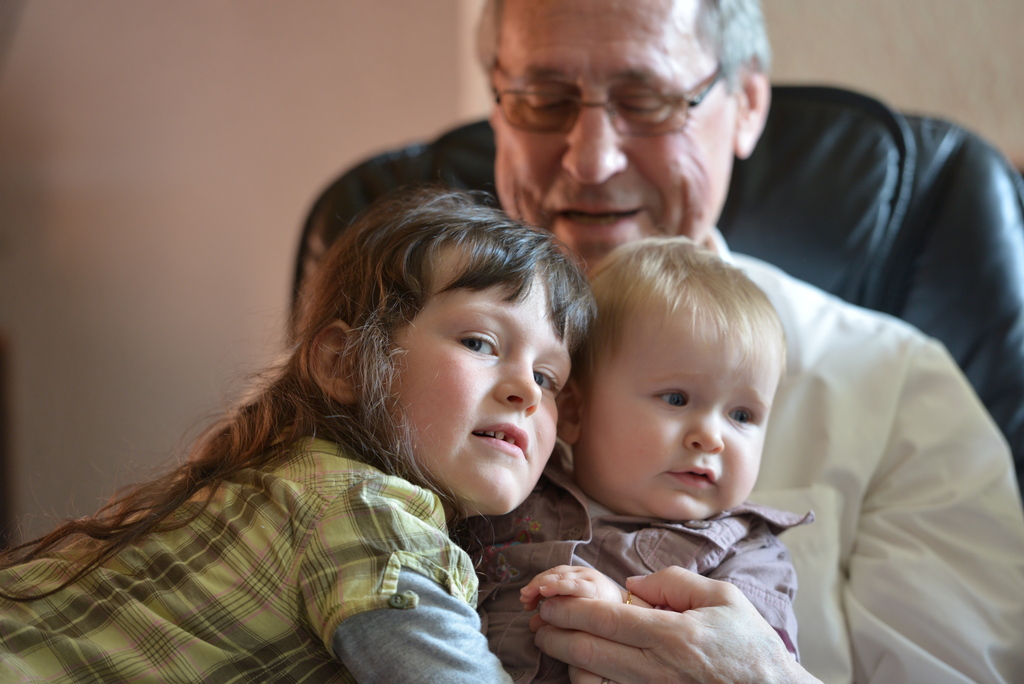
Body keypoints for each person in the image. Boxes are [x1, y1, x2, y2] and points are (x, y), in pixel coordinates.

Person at [469, 1, 1024, 682]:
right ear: (497, 107)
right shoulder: (405, 358)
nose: (592, 160)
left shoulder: (903, 391)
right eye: (543, 98)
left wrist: (764, 675)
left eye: (648, 100)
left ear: (748, 105)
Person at [0, 188, 594, 683]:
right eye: (480, 343)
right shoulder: (365, 510)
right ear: (345, 364)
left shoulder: (291, 483)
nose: (527, 390)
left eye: (548, 376)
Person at [466, 236, 813, 683]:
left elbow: (751, 661)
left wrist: (620, 608)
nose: (712, 437)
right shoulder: (513, 484)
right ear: (574, 412)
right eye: (676, 398)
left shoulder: (747, 555)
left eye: (742, 416)